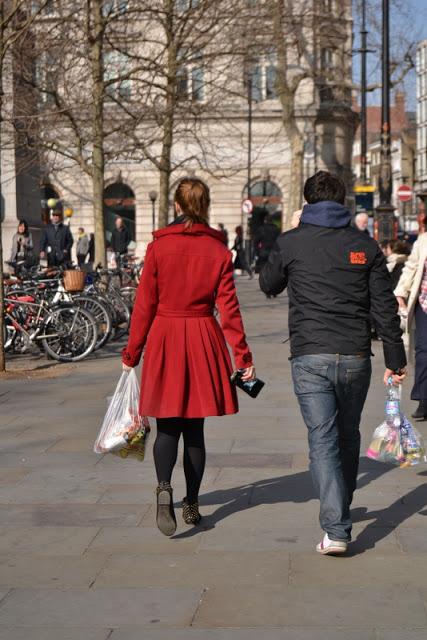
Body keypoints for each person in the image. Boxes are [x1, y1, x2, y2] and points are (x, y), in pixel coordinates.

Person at [259, 171, 406, 555]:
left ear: (307, 202)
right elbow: (384, 306)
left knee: (322, 440)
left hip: (310, 353)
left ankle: (337, 528)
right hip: (356, 354)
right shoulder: (365, 245)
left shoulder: (292, 241)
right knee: (347, 434)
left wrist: (290, 234)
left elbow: (268, 283)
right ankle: (340, 508)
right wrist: (396, 355)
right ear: (343, 203)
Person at [121, 178, 255, 537]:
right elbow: (229, 310)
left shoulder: (159, 248)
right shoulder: (218, 252)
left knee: (167, 425)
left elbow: (144, 304)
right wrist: (242, 357)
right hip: (201, 338)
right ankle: (193, 502)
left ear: (177, 206)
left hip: (165, 335)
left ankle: (164, 488)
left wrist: (131, 353)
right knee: (195, 429)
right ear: (205, 206)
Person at [395, 226, 427, 420]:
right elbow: (411, 267)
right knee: (423, 351)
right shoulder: (423, 240)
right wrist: (400, 292)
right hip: (424, 303)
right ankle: (424, 399)